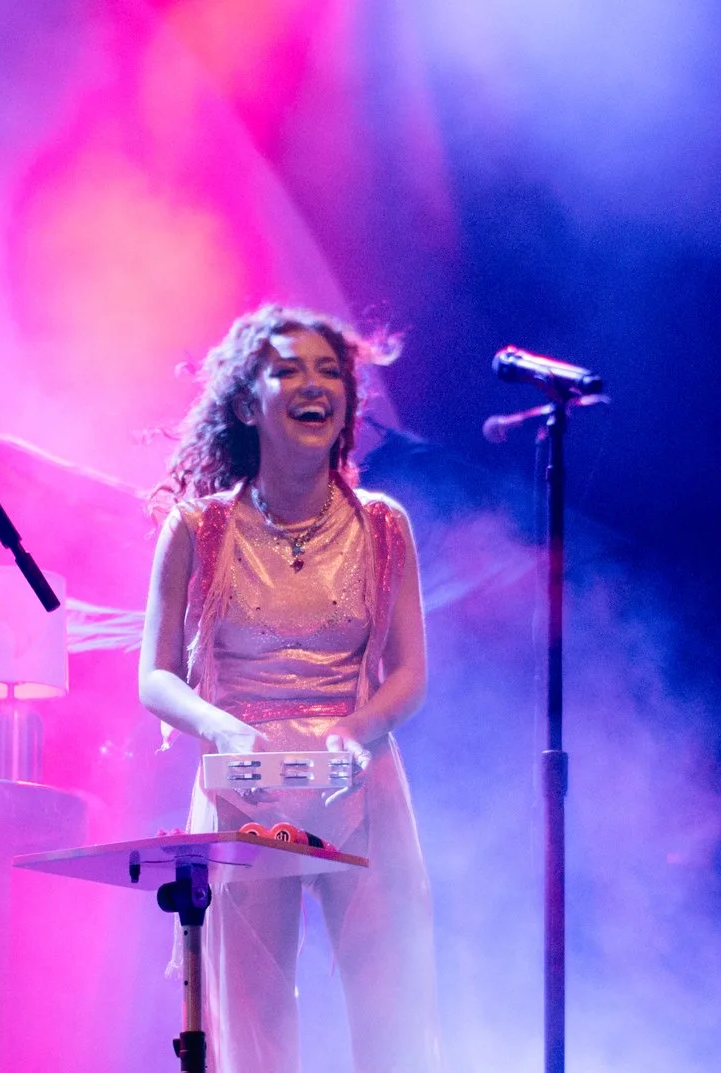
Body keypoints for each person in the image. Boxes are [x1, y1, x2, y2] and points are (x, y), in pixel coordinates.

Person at [138, 305, 440, 1073]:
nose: (316, 384)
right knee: (251, 1012)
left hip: (360, 778)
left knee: (390, 1000)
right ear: (247, 402)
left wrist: (357, 727)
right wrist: (226, 727)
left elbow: (409, 674)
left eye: (330, 370)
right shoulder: (198, 528)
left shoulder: (382, 525)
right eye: (290, 369)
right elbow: (155, 675)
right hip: (244, 782)